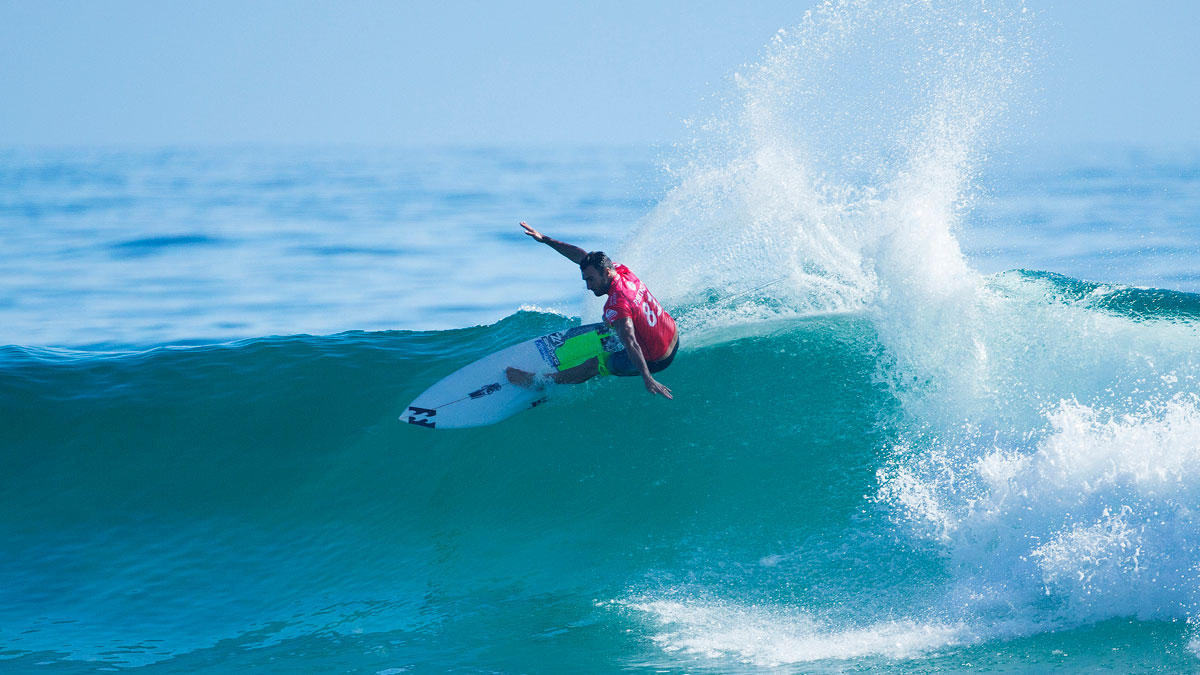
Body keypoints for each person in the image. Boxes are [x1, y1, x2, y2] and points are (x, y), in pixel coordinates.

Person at [506, 221, 678, 399]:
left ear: (607, 273)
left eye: (591, 280)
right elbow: (581, 256)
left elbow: (631, 342)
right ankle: (614, 331)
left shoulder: (618, 304)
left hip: (657, 360)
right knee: (612, 318)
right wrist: (544, 239)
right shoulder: (621, 270)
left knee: (594, 364)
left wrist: (647, 377)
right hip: (672, 335)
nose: (588, 286)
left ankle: (539, 382)